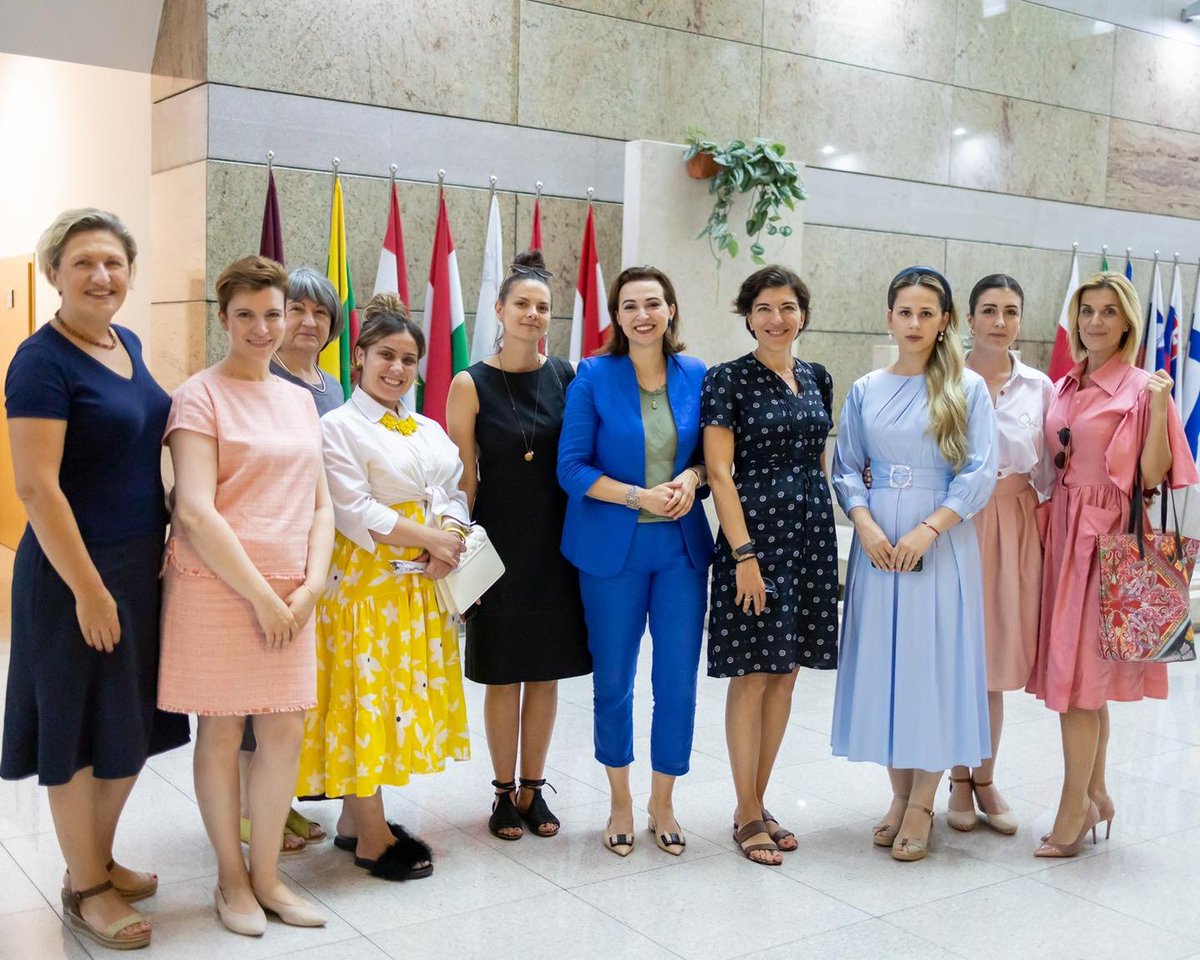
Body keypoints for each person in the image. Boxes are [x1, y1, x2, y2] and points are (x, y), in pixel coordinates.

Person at [1, 209, 191, 950]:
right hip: (75, 573)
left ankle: (96, 858)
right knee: (79, 730)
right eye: (82, 262)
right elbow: (37, 489)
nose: (100, 275)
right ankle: (86, 887)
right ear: (54, 274)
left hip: (139, 565)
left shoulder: (127, 344)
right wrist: (87, 589)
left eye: (112, 262)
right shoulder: (39, 361)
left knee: (129, 725)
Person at [159, 256, 334, 934]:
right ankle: (230, 881)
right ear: (224, 319)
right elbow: (195, 511)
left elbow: (321, 506)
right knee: (224, 730)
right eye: (247, 316)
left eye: (275, 313)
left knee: (284, 729)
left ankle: (269, 878)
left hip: (293, 591)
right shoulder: (199, 395)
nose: (263, 328)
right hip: (220, 588)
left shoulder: (297, 398)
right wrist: (263, 595)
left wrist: (312, 584)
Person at [296, 294, 472, 880]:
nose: (396, 368)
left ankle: (354, 819)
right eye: (385, 356)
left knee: (394, 701)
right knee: (363, 699)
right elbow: (353, 509)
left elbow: (453, 488)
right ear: (359, 360)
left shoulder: (426, 426)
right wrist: (433, 536)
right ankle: (371, 835)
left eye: (408, 359)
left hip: (418, 584)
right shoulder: (337, 427)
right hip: (364, 589)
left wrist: (450, 533)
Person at [1027, 272, 1198, 857]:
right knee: (1082, 683)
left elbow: (1152, 476)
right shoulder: (1066, 386)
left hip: (1110, 540)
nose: (1094, 322)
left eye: (1107, 312)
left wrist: (1157, 400)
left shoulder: (1141, 387)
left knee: (1079, 687)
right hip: (1066, 536)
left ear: (1127, 322)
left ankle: (1073, 809)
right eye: (1086, 311)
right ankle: (1096, 793)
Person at [831, 266, 997, 862]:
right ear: (889, 317)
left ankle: (924, 802)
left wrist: (929, 530)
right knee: (887, 664)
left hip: (940, 540)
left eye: (928, 313)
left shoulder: (967, 388)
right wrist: (867, 527)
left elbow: (979, 474)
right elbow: (845, 466)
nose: (916, 322)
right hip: (877, 545)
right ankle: (898, 796)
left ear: (946, 320)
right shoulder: (864, 388)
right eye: (906, 311)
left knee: (930, 665)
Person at [557, 265, 713, 857]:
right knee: (614, 681)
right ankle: (620, 798)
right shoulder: (595, 375)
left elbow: (709, 459)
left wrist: (690, 477)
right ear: (617, 317)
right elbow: (570, 468)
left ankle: (663, 800)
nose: (642, 314)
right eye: (630, 306)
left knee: (676, 682)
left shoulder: (696, 374)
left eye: (653, 303)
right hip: (610, 551)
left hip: (680, 552)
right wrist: (637, 495)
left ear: (670, 310)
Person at [446, 251, 591, 841]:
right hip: (497, 549)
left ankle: (535, 790)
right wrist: (459, 559)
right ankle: (503, 793)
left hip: (558, 549)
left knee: (546, 675)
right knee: (503, 676)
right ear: (500, 311)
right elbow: (462, 480)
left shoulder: (567, 376)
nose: (532, 314)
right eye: (521, 305)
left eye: (542, 307)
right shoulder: (469, 383)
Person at [702, 265, 837, 866]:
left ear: (802, 313)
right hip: (754, 538)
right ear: (747, 315)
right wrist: (744, 556)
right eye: (763, 308)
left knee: (787, 673)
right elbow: (721, 473)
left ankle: (758, 800)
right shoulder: (726, 379)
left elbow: (819, 458)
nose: (776, 318)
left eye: (787, 307)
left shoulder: (818, 377)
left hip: (810, 537)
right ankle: (746, 809)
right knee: (752, 673)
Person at [942, 274, 1053, 836]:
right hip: (955, 521)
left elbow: (1050, 471)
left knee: (994, 658)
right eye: (989, 310)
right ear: (969, 317)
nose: (1000, 321)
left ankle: (984, 777)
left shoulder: (1039, 386)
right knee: (955, 651)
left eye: (1011, 311)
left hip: (1013, 524)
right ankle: (955, 779)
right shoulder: (944, 378)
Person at [239, 265, 345, 854]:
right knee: (257, 690)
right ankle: (250, 814)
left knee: (296, 690)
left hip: (324, 548)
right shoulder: (260, 377)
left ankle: (280, 800)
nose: (308, 322)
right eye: (296, 310)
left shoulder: (331, 385)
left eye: (320, 313)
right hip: (271, 548)